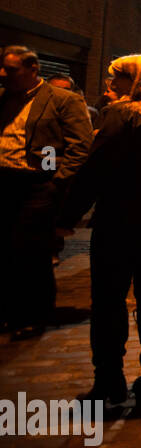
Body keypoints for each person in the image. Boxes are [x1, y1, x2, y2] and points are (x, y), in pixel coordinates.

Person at [54, 55, 141, 412]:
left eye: (115, 78)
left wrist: (66, 217)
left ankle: (108, 381)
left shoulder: (121, 115)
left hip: (120, 222)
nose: (110, 85)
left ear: (136, 81)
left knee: (108, 302)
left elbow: (94, 171)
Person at [1, 46, 93, 338]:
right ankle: (8, 311)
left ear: (32, 70)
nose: (3, 74)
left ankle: (32, 315)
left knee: (31, 252)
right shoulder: (4, 99)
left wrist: (57, 180)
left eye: (11, 69)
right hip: (4, 181)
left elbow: (79, 145)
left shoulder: (61, 101)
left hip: (37, 185)